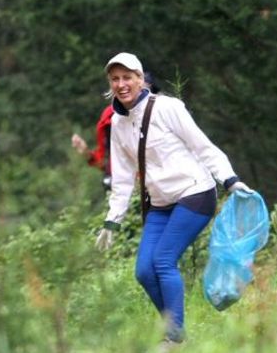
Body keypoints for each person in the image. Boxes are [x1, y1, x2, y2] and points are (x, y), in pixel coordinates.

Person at [93, 52, 253, 347]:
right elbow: (124, 178)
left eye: (127, 77)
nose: (121, 84)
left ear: (141, 79)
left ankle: (174, 337)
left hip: (195, 192)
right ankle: (176, 333)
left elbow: (202, 146)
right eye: (115, 79)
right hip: (160, 203)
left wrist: (229, 180)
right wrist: (111, 221)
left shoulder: (168, 108)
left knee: (163, 260)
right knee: (144, 271)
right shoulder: (117, 123)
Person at [71, 73, 160, 190]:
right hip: (122, 188)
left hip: (157, 186)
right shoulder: (110, 119)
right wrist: (86, 153)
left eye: (145, 91)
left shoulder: (162, 114)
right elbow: (107, 163)